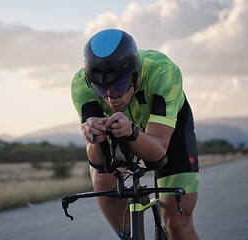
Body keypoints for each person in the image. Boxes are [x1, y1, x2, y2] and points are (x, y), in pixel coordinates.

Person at [71, 29, 199, 240]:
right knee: (102, 181)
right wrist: (93, 137)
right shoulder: (81, 83)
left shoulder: (164, 72)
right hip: (120, 128)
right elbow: (97, 162)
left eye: (119, 85)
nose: (111, 99)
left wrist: (131, 131)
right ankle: (129, 236)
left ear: (136, 76)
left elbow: (158, 153)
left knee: (178, 223)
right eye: (101, 90)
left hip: (168, 133)